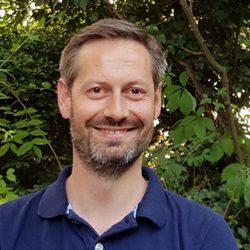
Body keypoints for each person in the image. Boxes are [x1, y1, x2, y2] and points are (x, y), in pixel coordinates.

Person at [0, 19, 238, 250]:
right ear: (65, 99)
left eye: (134, 91)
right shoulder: (6, 230)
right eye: (97, 90)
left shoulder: (205, 236)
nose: (116, 112)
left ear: (156, 101)